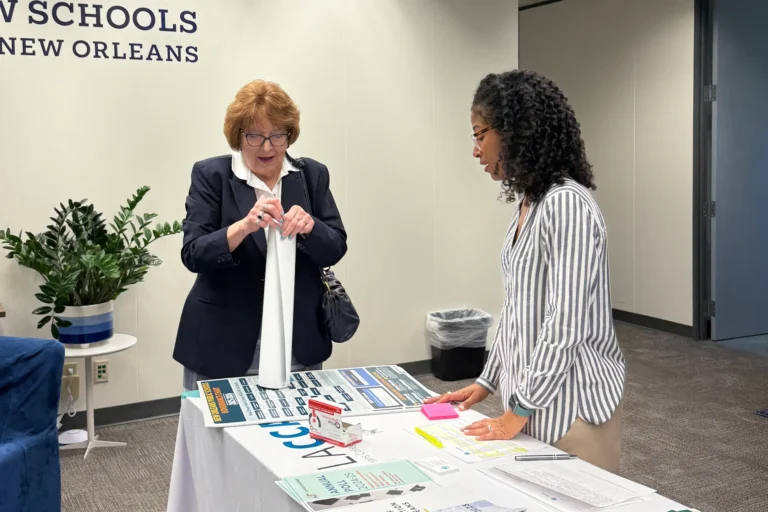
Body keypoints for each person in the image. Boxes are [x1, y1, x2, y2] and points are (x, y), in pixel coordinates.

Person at [426, 70, 626, 473]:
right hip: (533, 407)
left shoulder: (566, 204)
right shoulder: (531, 204)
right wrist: (486, 383)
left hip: (572, 411)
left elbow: (564, 323)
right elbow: (518, 311)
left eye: (480, 135)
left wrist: (519, 409)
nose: (476, 150)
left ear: (515, 132)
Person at [173, 80, 347, 391]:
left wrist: (311, 227)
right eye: (255, 136)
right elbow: (194, 253)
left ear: (289, 135)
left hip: (296, 338)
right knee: (218, 435)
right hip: (224, 340)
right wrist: (243, 227)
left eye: (277, 136)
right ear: (238, 136)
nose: (267, 147)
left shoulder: (311, 175)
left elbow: (335, 247)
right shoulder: (212, 175)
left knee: (294, 431)